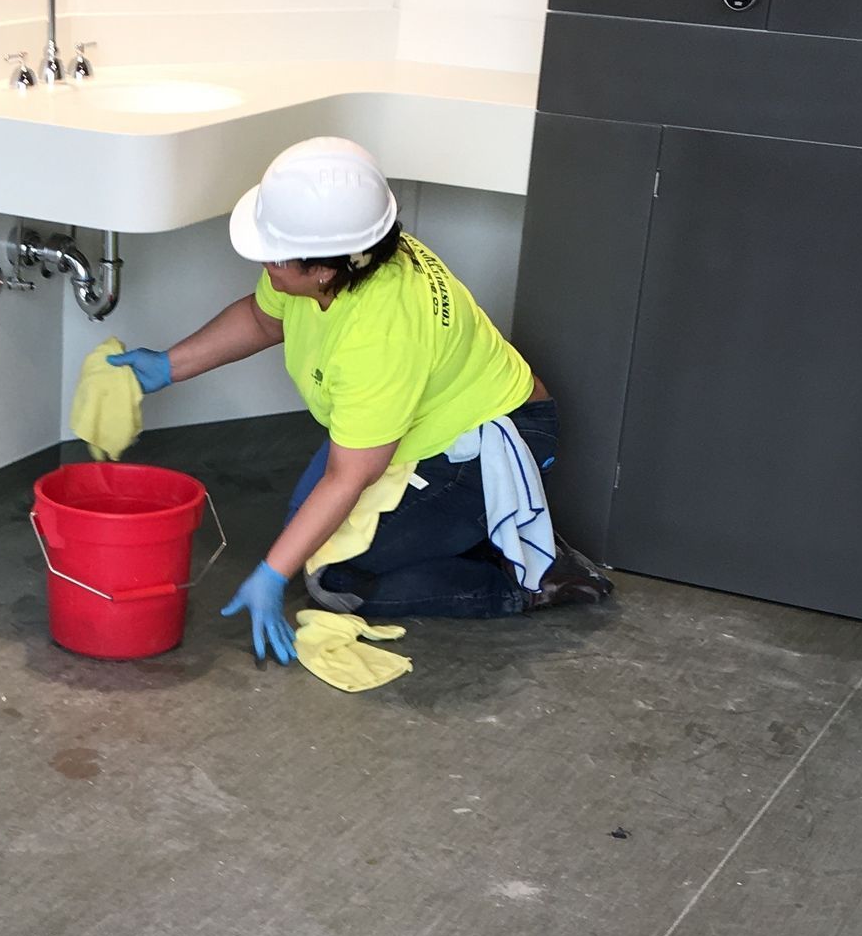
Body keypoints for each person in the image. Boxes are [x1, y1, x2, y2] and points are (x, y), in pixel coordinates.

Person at [112, 137, 610, 663]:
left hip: (488, 447)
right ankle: (469, 533)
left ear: (323, 269)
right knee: (304, 529)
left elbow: (349, 476)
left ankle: (528, 576)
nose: (264, 261)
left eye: (274, 254)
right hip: (413, 430)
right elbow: (263, 319)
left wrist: (270, 574)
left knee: (334, 578)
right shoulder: (347, 255)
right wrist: (170, 366)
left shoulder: (379, 335)